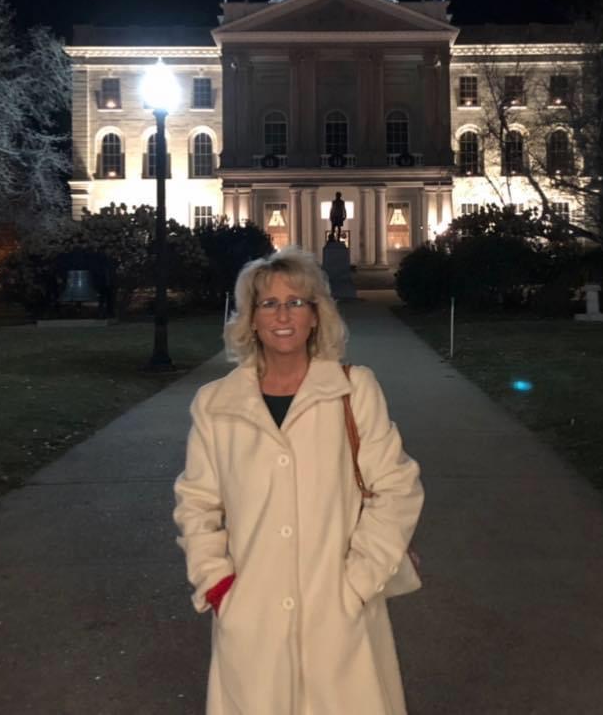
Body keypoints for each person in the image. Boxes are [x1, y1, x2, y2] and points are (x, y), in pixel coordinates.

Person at [173, 246, 424, 715]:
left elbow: (396, 487)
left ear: (315, 315)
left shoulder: (353, 389)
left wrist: (358, 582)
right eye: (268, 303)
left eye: (296, 302)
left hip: (339, 612)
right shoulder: (216, 403)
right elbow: (197, 502)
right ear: (251, 319)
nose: (283, 315)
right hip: (254, 616)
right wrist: (218, 584)